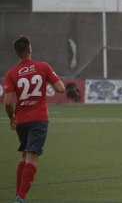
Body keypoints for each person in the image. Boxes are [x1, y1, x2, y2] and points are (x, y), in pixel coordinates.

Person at [4, 35, 65, 203]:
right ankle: (21, 198)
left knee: (24, 156)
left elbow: (8, 102)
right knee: (32, 158)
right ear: (30, 49)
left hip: (21, 121)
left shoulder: (10, 73)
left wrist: (11, 117)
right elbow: (60, 89)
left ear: (16, 52)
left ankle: (18, 195)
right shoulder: (43, 66)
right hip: (38, 119)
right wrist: (51, 78)